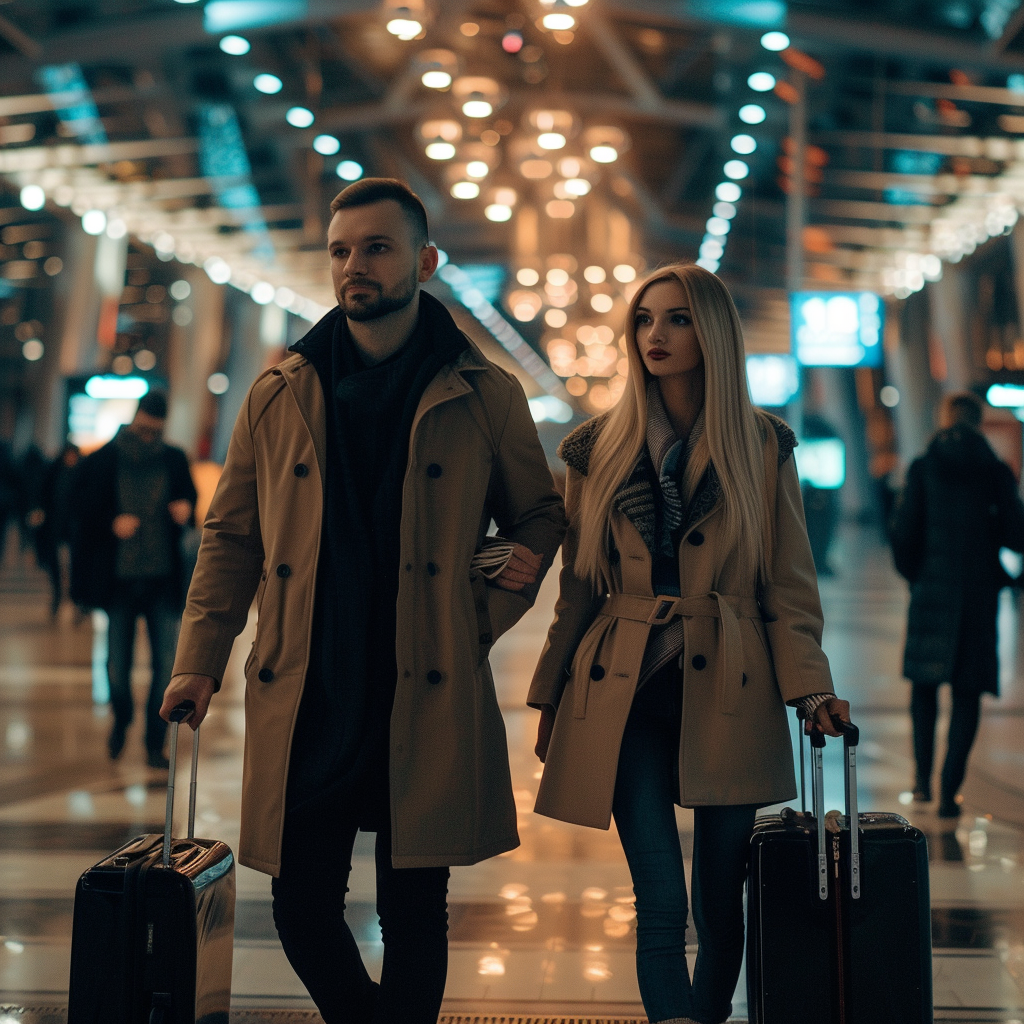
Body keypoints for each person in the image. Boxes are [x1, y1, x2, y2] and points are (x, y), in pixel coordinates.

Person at [160, 178, 566, 1024]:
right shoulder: (279, 392)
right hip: (310, 692)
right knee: (301, 907)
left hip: (425, 687)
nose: (356, 266)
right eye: (342, 250)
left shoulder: (483, 393)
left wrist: (479, 614)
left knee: (413, 909)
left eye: (377, 247)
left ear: (424, 261)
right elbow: (232, 538)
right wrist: (198, 663)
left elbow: (538, 511)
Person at [528, 264, 850, 1024]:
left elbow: (789, 585)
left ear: (712, 332)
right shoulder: (596, 448)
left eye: (675, 320)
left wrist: (810, 687)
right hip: (623, 686)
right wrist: (547, 695)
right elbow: (576, 589)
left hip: (731, 681)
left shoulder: (761, 445)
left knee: (718, 900)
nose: (655, 337)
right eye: (644, 321)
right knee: (662, 899)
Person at [890, 391, 1024, 818]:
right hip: (978, 595)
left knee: (923, 690)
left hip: (931, 591)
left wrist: (918, 577)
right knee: (968, 694)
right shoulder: (994, 471)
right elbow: (1016, 535)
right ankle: (950, 792)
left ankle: (920, 782)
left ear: (944, 420)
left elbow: (903, 535)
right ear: (978, 422)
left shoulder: (925, 468)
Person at [71, 392, 197, 769]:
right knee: (116, 665)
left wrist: (185, 509)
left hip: (161, 578)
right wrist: (112, 523)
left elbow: (188, 495)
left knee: (165, 664)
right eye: (145, 427)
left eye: (155, 429)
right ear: (136, 418)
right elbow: (82, 512)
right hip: (119, 580)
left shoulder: (173, 458)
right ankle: (121, 716)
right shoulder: (104, 460)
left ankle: (153, 741)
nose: (149, 435)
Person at [30, 442, 81, 618]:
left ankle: (76, 603)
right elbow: (44, 495)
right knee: (56, 566)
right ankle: (58, 597)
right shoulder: (54, 473)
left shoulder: (81, 474)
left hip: (74, 529)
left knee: (75, 566)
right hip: (57, 527)